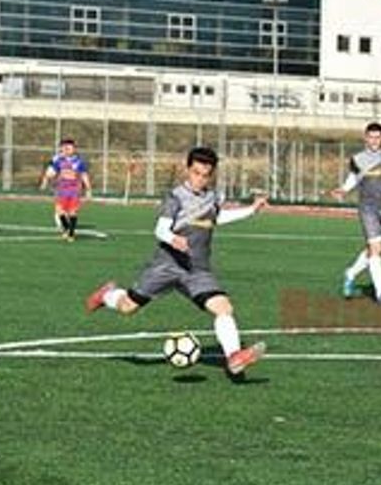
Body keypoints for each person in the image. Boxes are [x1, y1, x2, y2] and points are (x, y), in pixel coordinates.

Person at [85, 147, 267, 378]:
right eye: (196, 173)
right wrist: (173, 239)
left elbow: (216, 218)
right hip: (166, 266)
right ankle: (107, 295)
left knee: (224, 308)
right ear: (187, 170)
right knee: (128, 307)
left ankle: (234, 358)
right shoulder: (176, 197)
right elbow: (160, 229)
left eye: (205, 175)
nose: (200, 179)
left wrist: (250, 210)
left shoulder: (212, 197)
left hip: (196, 270)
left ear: (211, 175)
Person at [332, 122, 381, 306]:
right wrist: (344, 189)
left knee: (372, 250)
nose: (374, 140)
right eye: (371, 137)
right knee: (376, 249)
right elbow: (353, 178)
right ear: (365, 138)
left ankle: (350, 273)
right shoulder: (357, 159)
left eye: (377, 137)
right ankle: (380, 294)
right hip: (367, 209)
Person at [39, 138, 92, 242]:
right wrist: (45, 180)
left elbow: (84, 175)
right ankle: (67, 228)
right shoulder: (59, 160)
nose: (67, 150)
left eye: (69, 148)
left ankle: (71, 234)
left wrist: (88, 189)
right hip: (62, 190)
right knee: (60, 211)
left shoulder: (79, 161)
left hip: (74, 190)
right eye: (65, 148)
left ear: (74, 149)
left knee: (72, 212)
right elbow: (52, 172)